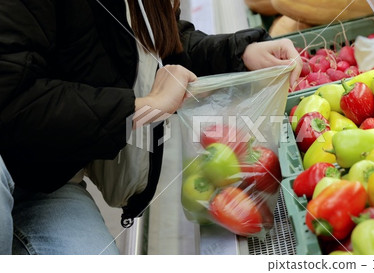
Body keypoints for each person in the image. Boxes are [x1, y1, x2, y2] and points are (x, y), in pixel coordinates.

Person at [0, 0, 302, 254]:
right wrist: (140, 106)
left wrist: (238, 53)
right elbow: (12, 99)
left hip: (44, 179)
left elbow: (155, 45)